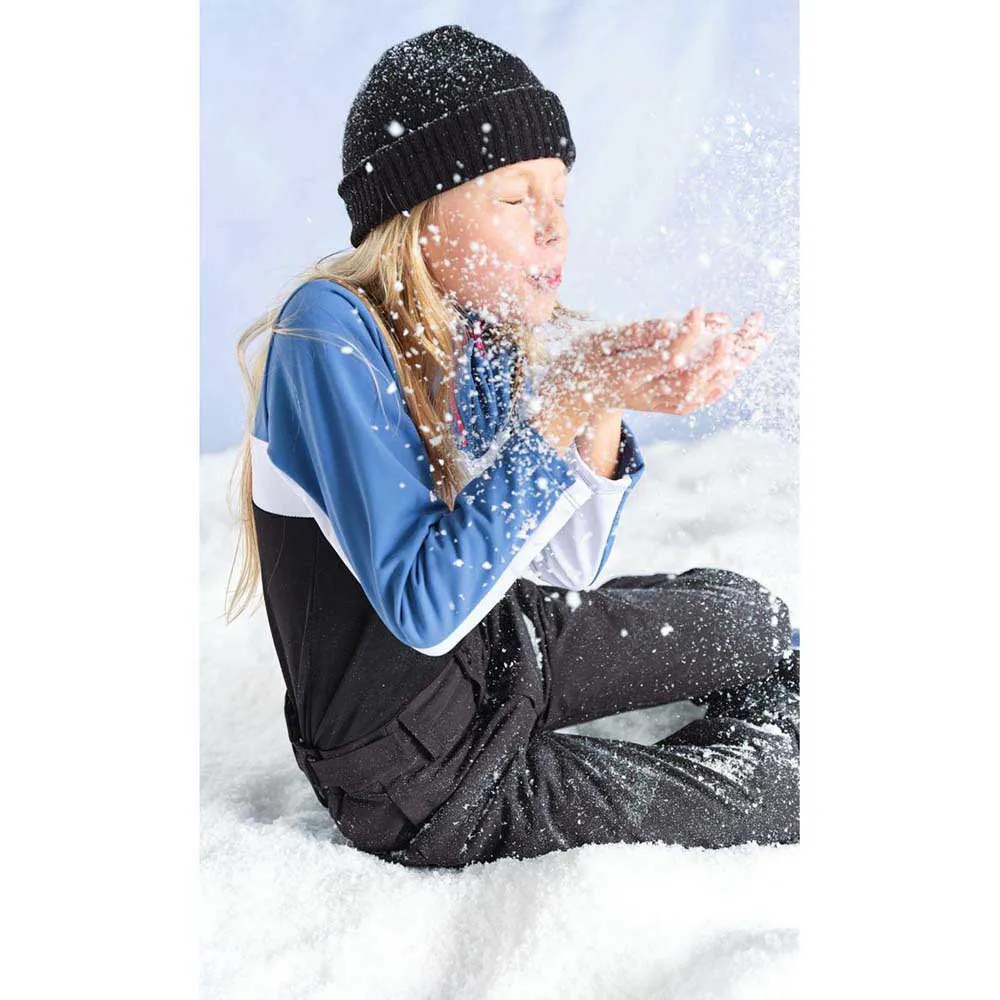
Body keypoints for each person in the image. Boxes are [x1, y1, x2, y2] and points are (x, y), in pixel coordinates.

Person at [225, 24, 799, 869]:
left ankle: (777, 714)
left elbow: (562, 567)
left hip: (499, 651)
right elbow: (424, 607)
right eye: (516, 198)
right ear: (416, 212)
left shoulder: (479, 328)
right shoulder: (329, 334)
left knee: (753, 619)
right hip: (423, 777)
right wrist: (564, 402)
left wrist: (599, 396)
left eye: (559, 195)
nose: (554, 227)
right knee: (782, 788)